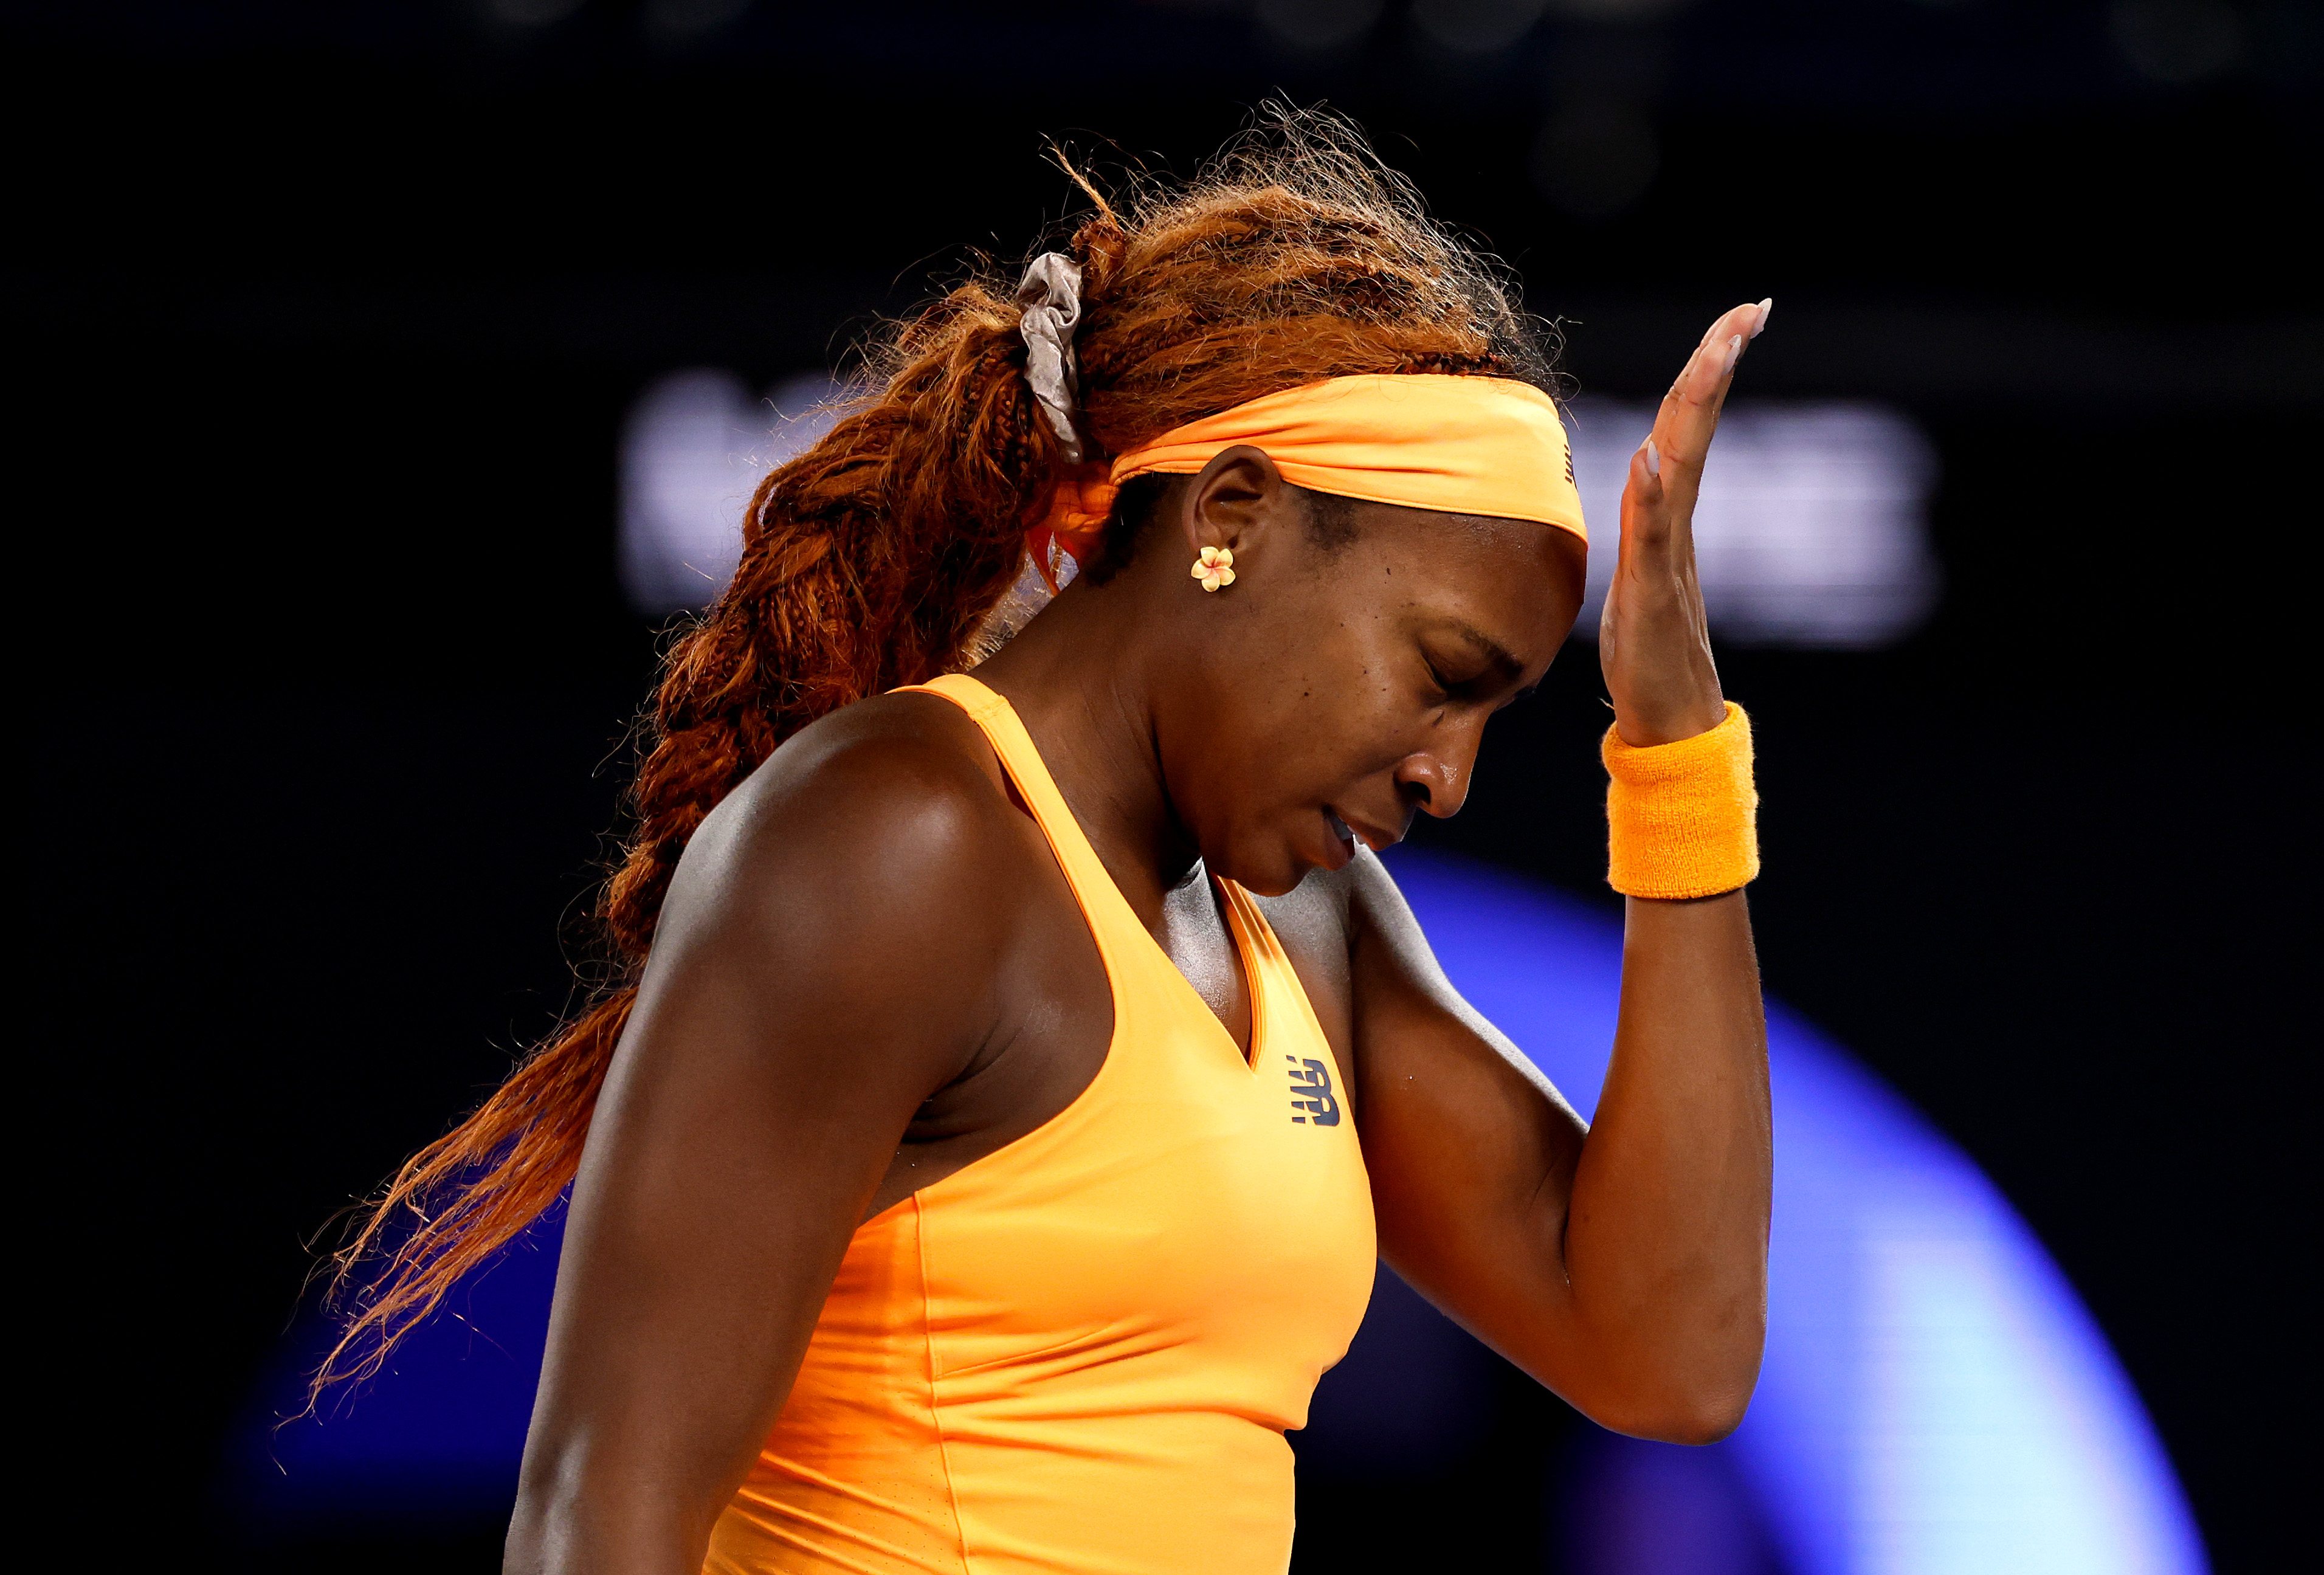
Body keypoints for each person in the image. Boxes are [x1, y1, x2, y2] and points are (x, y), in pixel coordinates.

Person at [322, 115, 1773, 1575]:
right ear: (1233, 521)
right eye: (1443, 672)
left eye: (1497, 714)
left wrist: (1676, 753)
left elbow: (1671, 1352)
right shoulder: (901, 841)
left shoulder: (1315, 922)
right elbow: (597, 1525)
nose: (1448, 773)